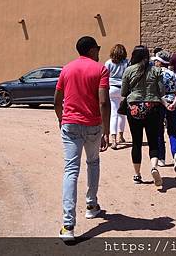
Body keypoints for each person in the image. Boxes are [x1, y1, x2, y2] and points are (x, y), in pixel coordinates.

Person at [54, 36, 110, 241]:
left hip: (70, 124)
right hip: (93, 125)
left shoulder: (66, 69)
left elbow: (57, 100)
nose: (99, 51)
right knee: (93, 162)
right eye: (98, 48)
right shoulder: (100, 69)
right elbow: (103, 102)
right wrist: (105, 129)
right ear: (92, 49)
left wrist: (62, 119)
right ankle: (91, 204)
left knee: (71, 170)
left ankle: (68, 225)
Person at [121, 45, 165, 186]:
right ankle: (154, 167)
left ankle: (137, 174)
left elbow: (123, 92)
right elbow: (162, 91)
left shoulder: (128, 70)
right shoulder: (156, 70)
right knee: (153, 141)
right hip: (153, 107)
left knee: (136, 142)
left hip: (134, 108)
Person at [153, 50, 176, 173]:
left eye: (156, 61)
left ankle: (161, 158)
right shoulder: (174, 74)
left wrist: (165, 103)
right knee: (172, 131)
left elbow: (156, 91)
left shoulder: (157, 74)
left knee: (159, 131)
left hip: (160, 104)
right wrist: (174, 103)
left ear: (160, 62)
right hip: (173, 104)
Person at [104, 44, 129, 149]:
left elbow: (104, 76)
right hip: (123, 89)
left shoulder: (109, 63)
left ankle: (113, 139)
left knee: (113, 113)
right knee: (122, 113)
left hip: (111, 88)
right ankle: (121, 136)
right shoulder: (126, 62)